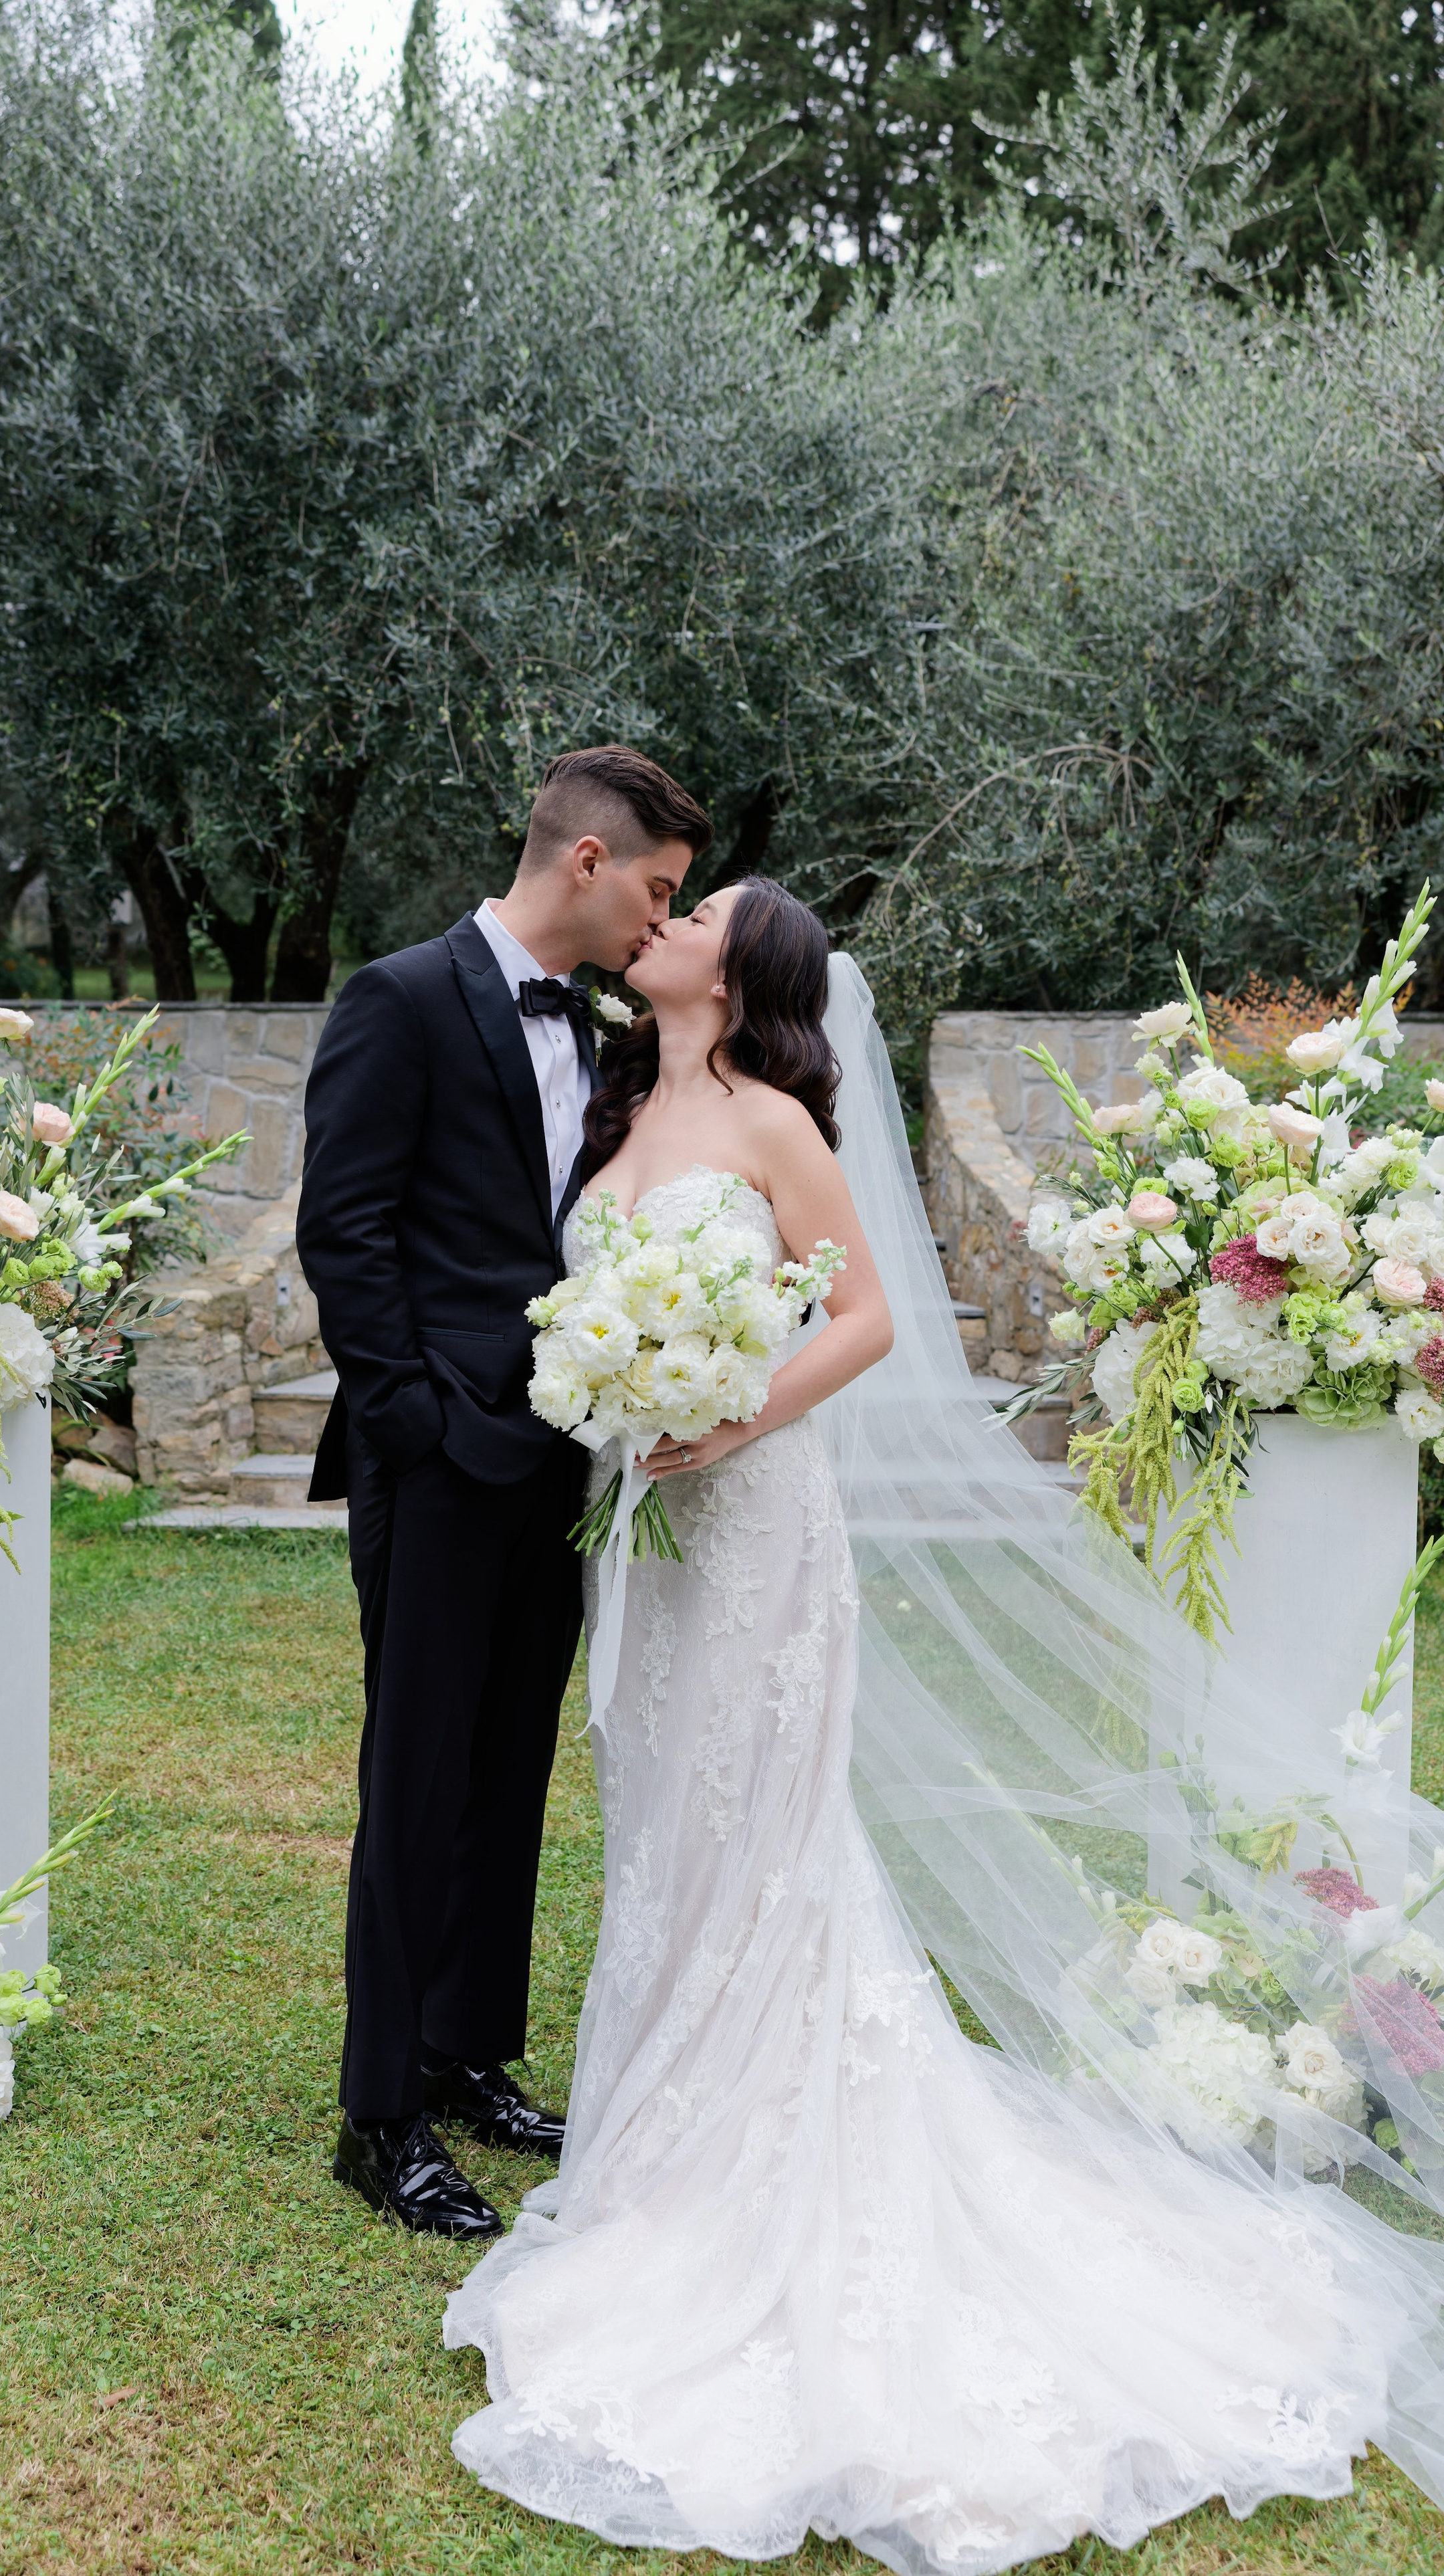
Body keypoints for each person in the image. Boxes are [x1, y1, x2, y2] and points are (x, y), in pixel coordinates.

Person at [443, 878, 1444, 2569]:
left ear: (741, 974)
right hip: (648, 1542)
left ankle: (740, 2148)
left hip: (754, 1525)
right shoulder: (624, 1100)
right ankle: (659, 2133)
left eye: (704, 915)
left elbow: (865, 1320)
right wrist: (625, 1401)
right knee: (664, 1822)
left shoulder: (772, 1121)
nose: (668, 921)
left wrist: (718, 1407)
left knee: (758, 1828)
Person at [296, 744, 712, 2239]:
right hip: (440, 1457)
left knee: (508, 1765)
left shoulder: (605, 1031)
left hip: (561, 1463)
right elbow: (343, 1233)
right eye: (655, 892)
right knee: (413, 1777)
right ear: (587, 862)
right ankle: (380, 2116)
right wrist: (417, 1421)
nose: (659, 926)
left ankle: (465, 2051)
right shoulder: (399, 1000)